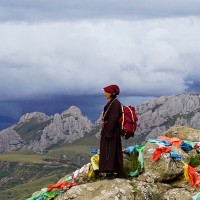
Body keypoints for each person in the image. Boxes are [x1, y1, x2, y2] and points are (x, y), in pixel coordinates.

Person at [98, 84, 124, 179]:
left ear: (111, 93)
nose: (105, 94)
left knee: (110, 151)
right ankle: (110, 171)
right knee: (110, 150)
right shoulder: (113, 103)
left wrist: (108, 132)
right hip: (110, 131)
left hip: (111, 132)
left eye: (106, 92)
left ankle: (111, 171)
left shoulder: (115, 104)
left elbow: (113, 119)